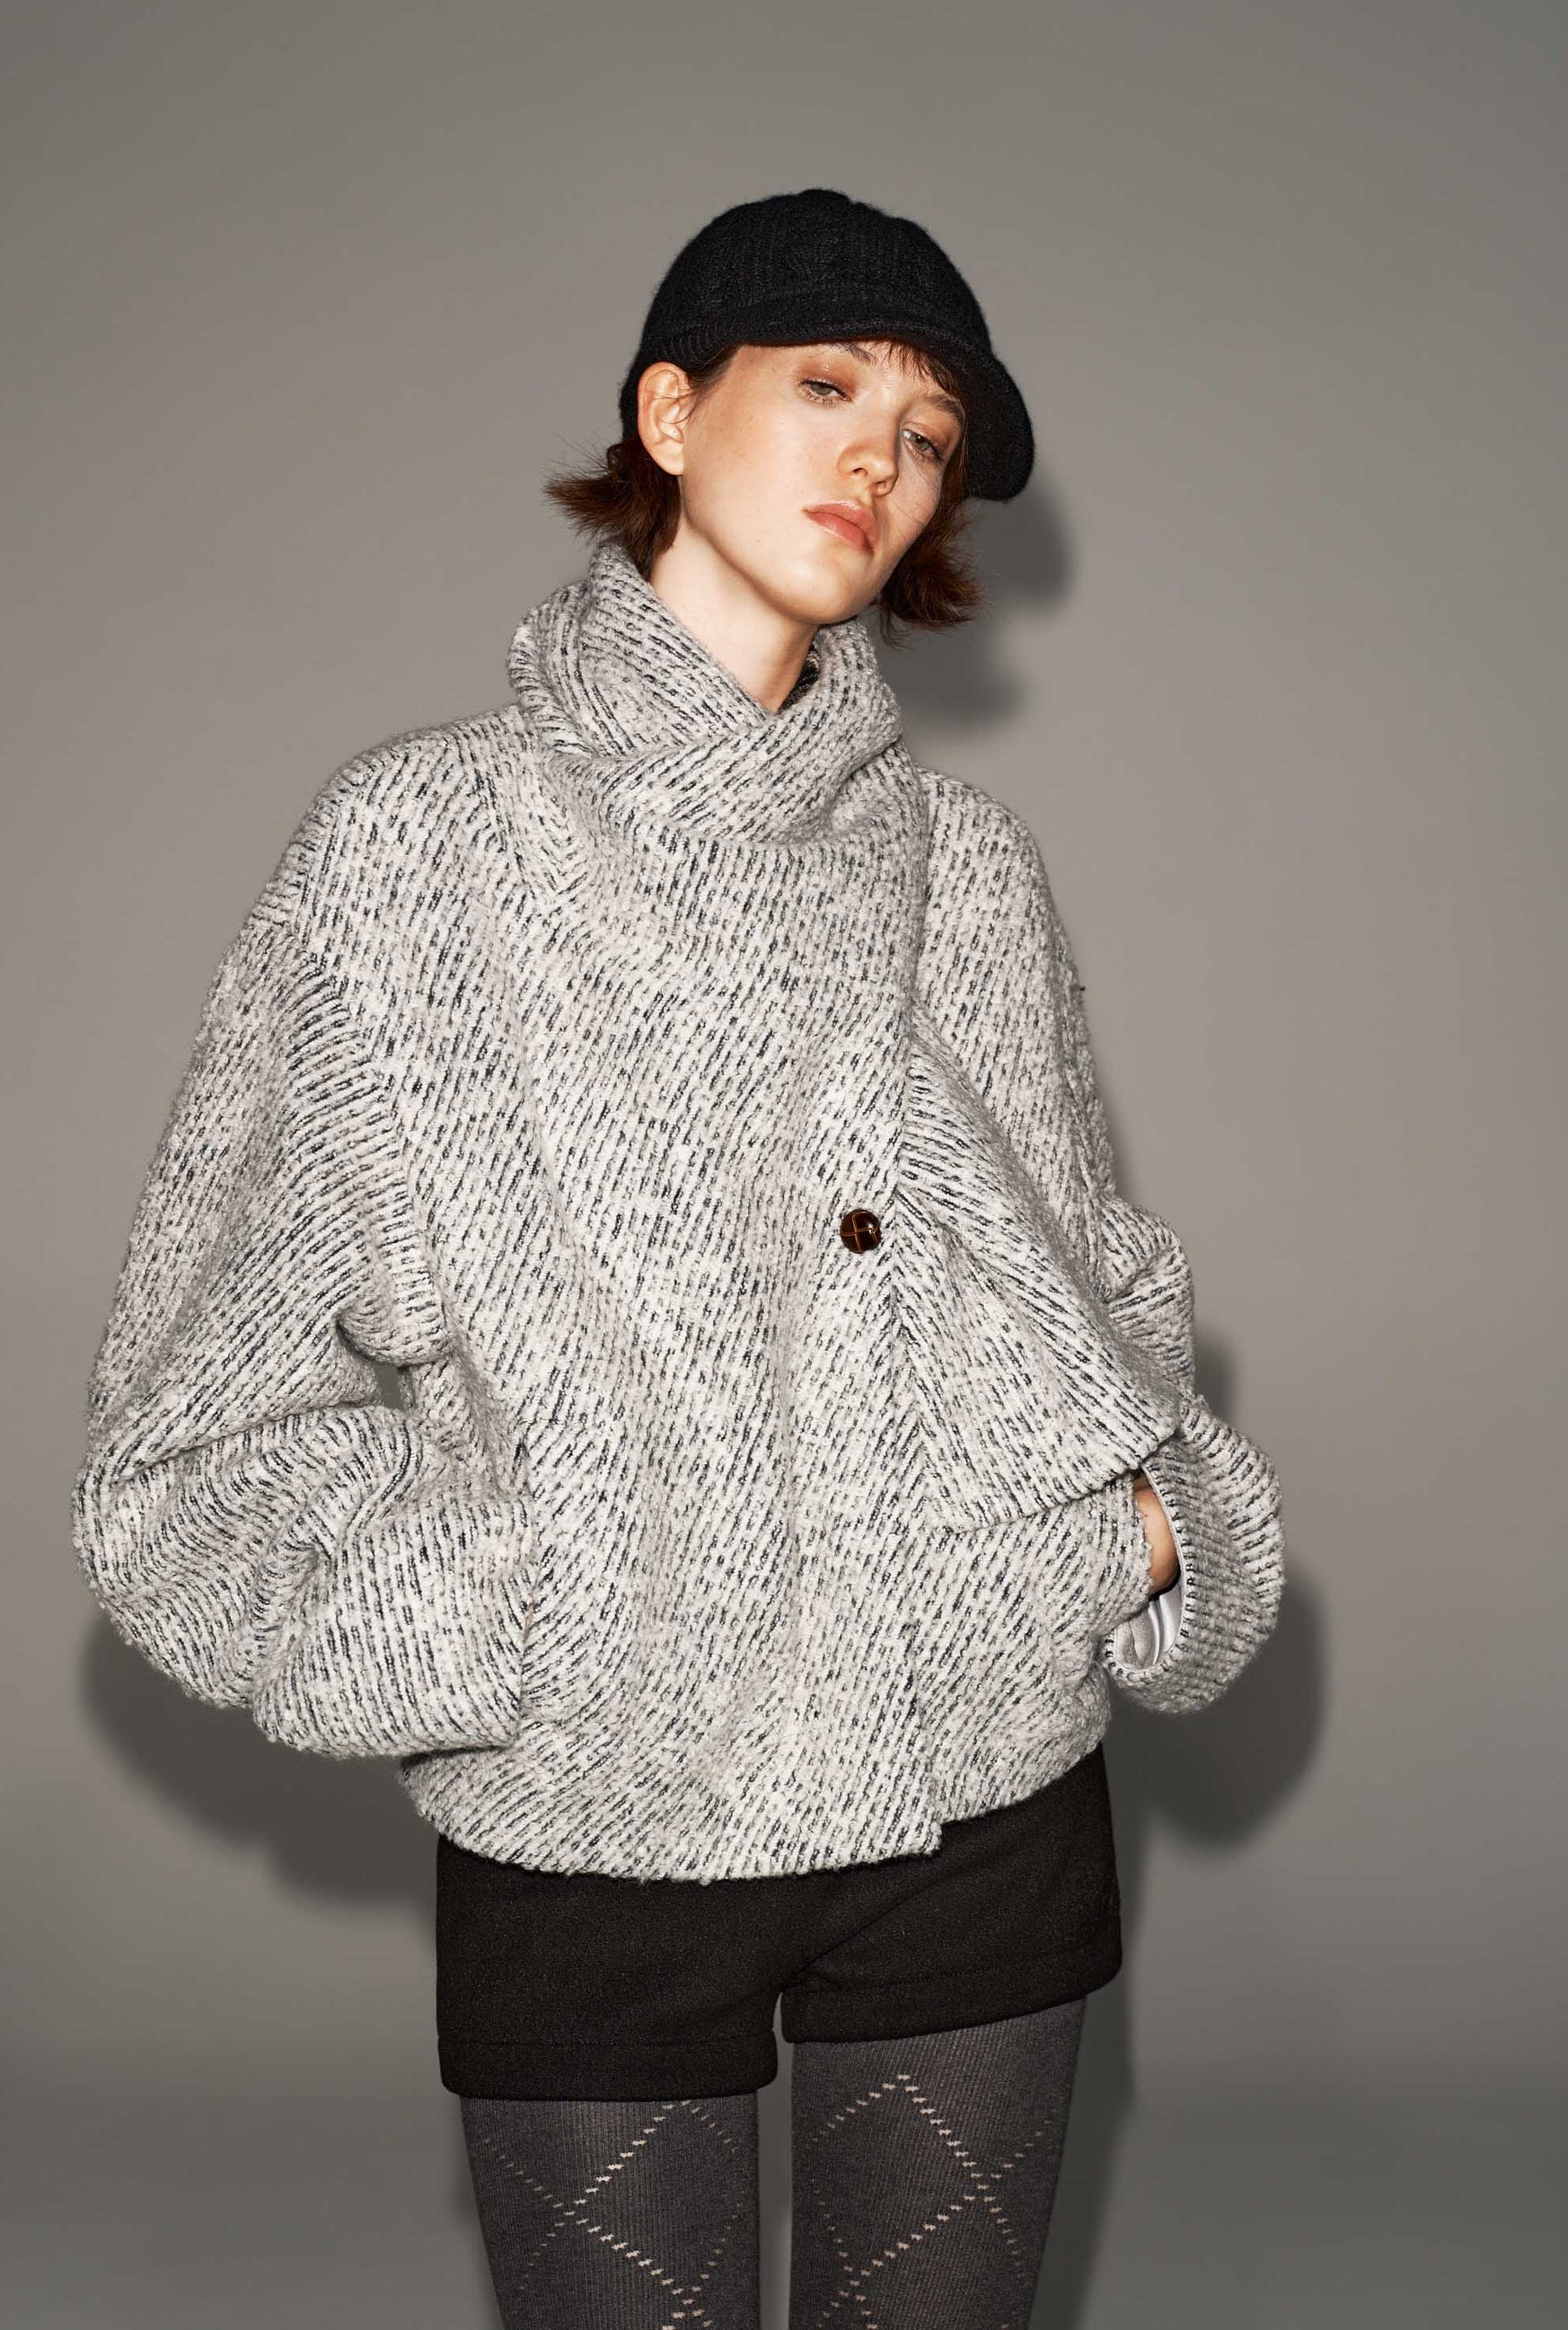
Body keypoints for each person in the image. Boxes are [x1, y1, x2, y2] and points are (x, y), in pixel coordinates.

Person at [72, 187, 1285, 2327]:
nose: (877, 463)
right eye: (825, 388)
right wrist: (497, 1608)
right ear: (666, 411)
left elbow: (1095, 1290)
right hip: (596, 1833)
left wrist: (1141, 1528)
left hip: (976, 1793)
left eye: (923, 436)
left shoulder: (970, 870)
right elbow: (185, 1437)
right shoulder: (417, 853)